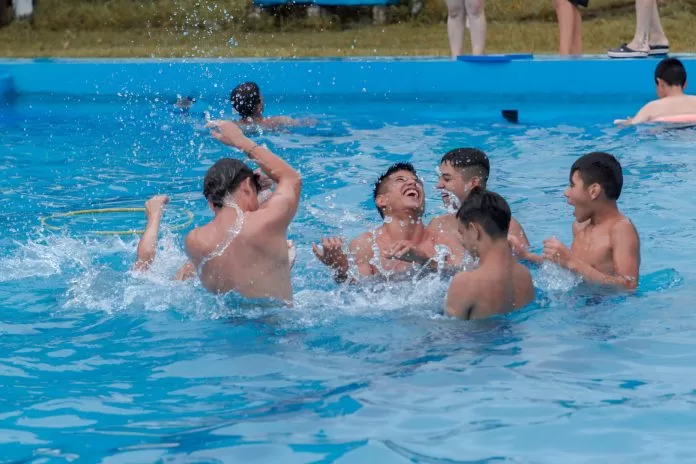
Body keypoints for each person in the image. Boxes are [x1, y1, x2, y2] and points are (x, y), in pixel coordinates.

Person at [133, 120, 302, 303]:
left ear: (211, 204)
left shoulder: (195, 241)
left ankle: (155, 214)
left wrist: (155, 216)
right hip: (278, 328)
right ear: (246, 185)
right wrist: (240, 140)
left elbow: (145, 275)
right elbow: (291, 178)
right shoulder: (267, 221)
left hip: (228, 326)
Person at [515, 152, 640, 291]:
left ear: (594, 191)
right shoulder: (579, 226)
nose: (566, 192)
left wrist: (570, 261)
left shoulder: (621, 230)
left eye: (572, 185)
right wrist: (525, 257)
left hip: (607, 308)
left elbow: (628, 287)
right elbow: (572, 272)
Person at [312, 162, 436, 282]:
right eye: (400, 179)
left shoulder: (439, 235)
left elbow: (454, 274)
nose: (412, 182)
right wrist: (340, 268)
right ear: (382, 200)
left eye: (417, 180)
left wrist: (423, 258)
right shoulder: (367, 246)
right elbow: (358, 293)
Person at [424, 148, 530, 268]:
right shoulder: (438, 224)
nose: (439, 185)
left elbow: (526, 267)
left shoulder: (505, 224)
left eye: (447, 179)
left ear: (473, 182)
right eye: (439, 178)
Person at [445, 188, 534, 320]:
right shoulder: (525, 276)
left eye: (462, 233)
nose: (463, 242)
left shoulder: (465, 283)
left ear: (474, 230)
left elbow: (450, 335)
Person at [615, 58, 696, 125]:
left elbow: (631, 125)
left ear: (660, 83)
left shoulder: (652, 107)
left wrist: (628, 122)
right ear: (685, 84)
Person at [230, 82, 302, 129]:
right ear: (258, 107)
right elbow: (301, 125)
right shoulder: (279, 121)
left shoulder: (233, 126)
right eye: (261, 97)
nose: (263, 99)